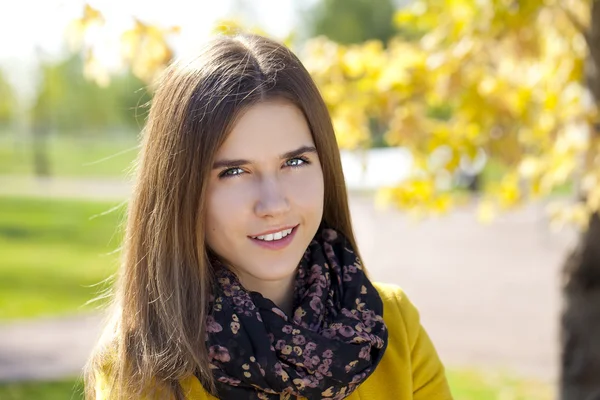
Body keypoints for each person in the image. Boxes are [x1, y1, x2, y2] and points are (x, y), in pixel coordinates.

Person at [85, 33, 453, 400]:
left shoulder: (394, 326)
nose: (273, 204)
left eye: (294, 162)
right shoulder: (141, 365)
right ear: (180, 191)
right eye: (233, 172)